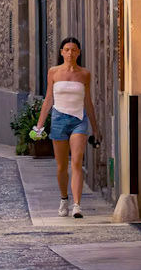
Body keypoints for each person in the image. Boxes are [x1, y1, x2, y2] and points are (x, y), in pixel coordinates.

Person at [37, 35, 98, 217]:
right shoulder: (53, 72)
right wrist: (39, 125)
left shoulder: (85, 74)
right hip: (58, 119)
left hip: (79, 120)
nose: (70, 53)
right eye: (67, 50)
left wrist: (95, 128)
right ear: (61, 52)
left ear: (79, 52)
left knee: (77, 162)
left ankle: (77, 205)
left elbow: (88, 101)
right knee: (62, 166)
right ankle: (64, 198)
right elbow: (48, 99)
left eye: (74, 50)